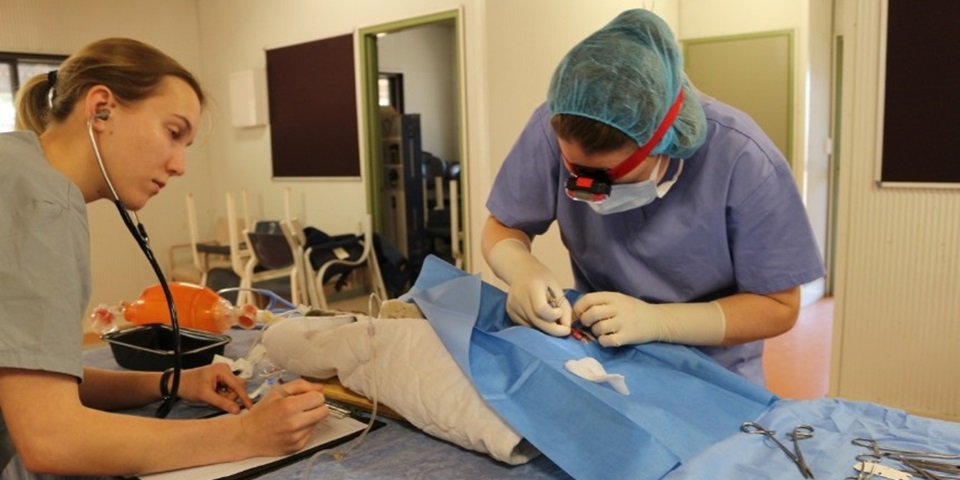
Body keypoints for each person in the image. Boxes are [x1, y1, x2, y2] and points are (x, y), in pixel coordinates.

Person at [0, 38, 328, 476]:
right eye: (173, 133)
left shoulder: (16, 165)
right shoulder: (43, 206)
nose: (180, 166)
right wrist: (247, 434)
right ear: (101, 109)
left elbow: (32, 383)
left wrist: (168, 382)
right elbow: (52, 439)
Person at [482, 9, 824, 384]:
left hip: (713, 377)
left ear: (665, 141)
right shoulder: (555, 125)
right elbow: (503, 224)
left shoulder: (743, 158)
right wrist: (521, 270)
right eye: (575, 172)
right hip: (602, 357)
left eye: (607, 176)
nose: (591, 189)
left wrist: (661, 322)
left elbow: (779, 306)